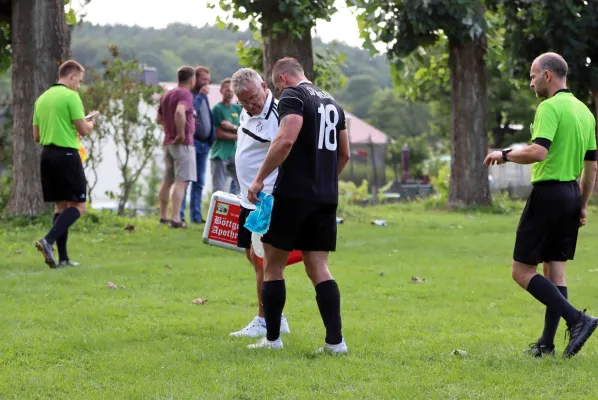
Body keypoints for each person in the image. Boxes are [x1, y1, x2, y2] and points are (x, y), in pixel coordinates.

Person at [484, 52, 598, 358]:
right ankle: (546, 344)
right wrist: (583, 205)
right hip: (571, 195)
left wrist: (504, 154)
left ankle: (578, 320)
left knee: (521, 271)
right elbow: (592, 168)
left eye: (533, 76)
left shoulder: (548, 107)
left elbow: (538, 152)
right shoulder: (585, 113)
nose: (531, 82)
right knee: (555, 273)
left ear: (547, 75)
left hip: (547, 195)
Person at [246, 58, 351, 353]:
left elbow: (285, 140)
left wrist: (258, 180)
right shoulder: (333, 103)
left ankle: (272, 340)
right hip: (325, 196)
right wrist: (323, 183)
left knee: (272, 265)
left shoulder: (293, 95)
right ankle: (335, 342)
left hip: (293, 195)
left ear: (282, 79)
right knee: (318, 267)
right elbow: (344, 155)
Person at [228, 67, 290, 338]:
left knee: (263, 259)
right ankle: (277, 315)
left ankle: (265, 320)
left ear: (265, 86)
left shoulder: (279, 115)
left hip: (266, 199)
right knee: (252, 256)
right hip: (246, 197)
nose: (250, 105)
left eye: (253, 98)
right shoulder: (246, 109)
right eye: (243, 101)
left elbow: (286, 150)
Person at [34, 60, 96, 269]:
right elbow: (84, 130)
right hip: (67, 155)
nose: (79, 85)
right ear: (71, 76)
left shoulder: (41, 99)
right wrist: (90, 122)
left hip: (47, 155)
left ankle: (63, 258)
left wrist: (69, 130)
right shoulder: (71, 96)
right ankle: (47, 240)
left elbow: (36, 135)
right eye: (79, 81)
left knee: (61, 206)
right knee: (79, 206)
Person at [157, 66, 197, 229]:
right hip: (182, 143)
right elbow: (180, 112)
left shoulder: (167, 94)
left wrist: (170, 130)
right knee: (182, 181)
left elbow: (159, 118)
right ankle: (175, 219)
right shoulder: (185, 94)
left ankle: (163, 216)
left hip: (168, 142)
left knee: (167, 180)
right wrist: (180, 134)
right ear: (191, 79)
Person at [180, 66, 216, 224]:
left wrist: (211, 136)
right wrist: (201, 96)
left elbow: (208, 114)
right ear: (194, 79)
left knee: (199, 182)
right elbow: (191, 111)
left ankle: (196, 216)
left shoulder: (204, 96)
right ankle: (179, 215)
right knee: (186, 180)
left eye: (208, 80)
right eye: (203, 80)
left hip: (204, 144)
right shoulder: (190, 95)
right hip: (192, 143)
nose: (206, 83)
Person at [210, 79, 241, 195]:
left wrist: (231, 127)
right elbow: (218, 134)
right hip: (220, 153)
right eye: (226, 90)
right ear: (221, 91)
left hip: (234, 152)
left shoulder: (237, 108)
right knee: (219, 189)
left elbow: (243, 129)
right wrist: (238, 135)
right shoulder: (217, 109)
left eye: (231, 90)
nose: (229, 92)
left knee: (241, 184)